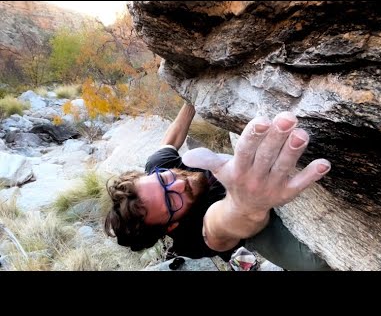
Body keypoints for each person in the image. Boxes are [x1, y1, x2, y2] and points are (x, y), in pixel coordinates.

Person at [105, 102, 332, 270]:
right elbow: (218, 228)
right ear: (171, 226)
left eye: (164, 179)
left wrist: (191, 99)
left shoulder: (158, 166)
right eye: (171, 201)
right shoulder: (191, 240)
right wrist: (246, 206)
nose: (179, 184)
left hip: (240, 179)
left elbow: (170, 141)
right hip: (252, 225)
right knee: (315, 265)